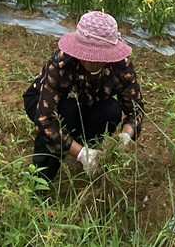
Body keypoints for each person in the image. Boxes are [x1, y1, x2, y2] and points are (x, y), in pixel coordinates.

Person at [23, 11, 144, 184]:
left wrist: (124, 137)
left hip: (88, 102)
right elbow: (46, 119)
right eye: (88, 54)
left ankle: (88, 154)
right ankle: (41, 181)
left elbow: (136, 108)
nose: (91, 61)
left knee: (111, 111)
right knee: (66, 117)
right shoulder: (63, 63)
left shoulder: (121, 66)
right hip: (43, 101)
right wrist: (81, 153)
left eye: (98, 56)